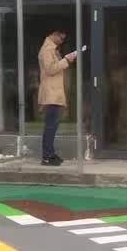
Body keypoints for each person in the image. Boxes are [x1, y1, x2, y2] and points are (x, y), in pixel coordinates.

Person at [38, 30, 78, 166]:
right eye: (61, 38)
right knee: (50, 126)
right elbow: (50, 69)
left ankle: (50, 153)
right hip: (51, 94)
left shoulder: (52, 49)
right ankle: (47, 156)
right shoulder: (47, 50)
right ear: (53, 34)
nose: (62, 41)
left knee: (52, 126)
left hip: (54, 93)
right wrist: (66, 60)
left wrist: (66, 59)